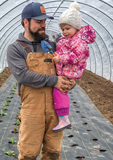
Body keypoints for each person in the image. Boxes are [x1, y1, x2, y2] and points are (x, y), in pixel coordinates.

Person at [5, 2, 76, 160]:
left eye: (44, 21)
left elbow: (66, 68)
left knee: (53, 152)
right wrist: (54, 80)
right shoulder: (16, 48)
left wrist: (70, 81)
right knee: (28, 154)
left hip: (55, 109)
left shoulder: (52, 46)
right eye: (39, 22)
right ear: (26, 22)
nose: (43, 25)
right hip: (32, 111)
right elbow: (23, 76)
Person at [50, 1, 95, 132]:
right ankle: (62, 118)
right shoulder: (65, 40)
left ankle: (64, 119)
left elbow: (75, 57)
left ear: (76, 27)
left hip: (69, 73)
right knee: (58, 92)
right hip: (64, 71)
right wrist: (57, 54)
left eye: (67, 28)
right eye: (63, 29)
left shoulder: (80, 42)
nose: (64, 32)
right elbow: (63, 53)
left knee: (60, 92)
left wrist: (60, 58)